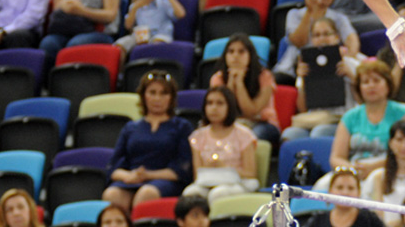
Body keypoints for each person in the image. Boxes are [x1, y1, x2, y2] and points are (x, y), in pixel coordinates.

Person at [103, 71, 193, 210]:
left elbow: (182, 169)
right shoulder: (130, 127)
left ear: (171, 97)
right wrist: (128, 175)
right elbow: (114, 167)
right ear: (143, 96)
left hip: (165, 181)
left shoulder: (182, 126)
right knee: (111, 194)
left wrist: (147, 175)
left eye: (163, 93)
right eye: (152, 92)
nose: (158, 98)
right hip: (132, 179)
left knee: (146, 193)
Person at [274, 0, 360, 80]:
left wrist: (347, 57)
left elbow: (352, 41)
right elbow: (299, 42)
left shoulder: (339, 18)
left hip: (328, 67)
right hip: (295, 69)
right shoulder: (294, 14)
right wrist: (310, 11)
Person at [184, 86, 260, 201]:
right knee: (190, 193)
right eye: (209, 103)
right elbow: (197, 175)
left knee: (218, 194)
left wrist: (225, 168)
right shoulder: (197, 136)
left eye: (220, 103)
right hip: (208, 181)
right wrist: (210, 167)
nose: (214, 108)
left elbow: (250, 173)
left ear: (229, 106)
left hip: (238, 182)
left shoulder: (244, 135)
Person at [210, 33, 281, 146]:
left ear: (250, 55)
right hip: (233, 124)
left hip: (263, 124)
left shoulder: (265, 76)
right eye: (231, 51)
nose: (235, 56)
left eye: (241, 51)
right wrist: (230, 83)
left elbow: (251, 113)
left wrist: (239, 83)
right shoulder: (218, 79)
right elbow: (224, 112)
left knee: (249, 137)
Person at [114, 0, 185, 60]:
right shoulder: (136, 6)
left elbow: (181, 14)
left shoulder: (163, 3)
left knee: (156, 43)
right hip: (140, 37)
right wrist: (134, 8)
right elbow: (128, 26)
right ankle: (121, 73)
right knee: (119, 46)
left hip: (160, 36)